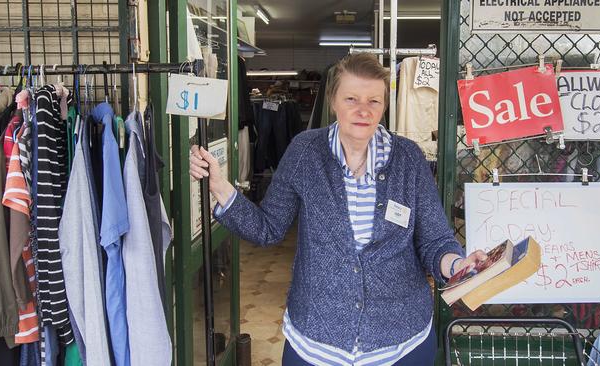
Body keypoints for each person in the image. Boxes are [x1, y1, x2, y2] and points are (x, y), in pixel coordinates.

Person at [189, 53, 486, 365]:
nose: (363, 110)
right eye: (351, 98)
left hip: (401, 343)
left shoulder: (408, 158)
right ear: (332, 100)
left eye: (374, 101)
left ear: (385, 106)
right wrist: (220, 186)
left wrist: (457, 266)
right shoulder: (305, 151)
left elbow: (435, 240)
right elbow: (268, 228)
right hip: (317, 343)